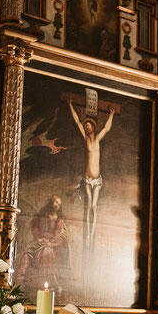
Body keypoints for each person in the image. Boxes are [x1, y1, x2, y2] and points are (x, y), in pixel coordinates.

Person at [68, 98, 115, 247]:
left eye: (89, 126)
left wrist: (112, 114)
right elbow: (77, 122)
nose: (87, 128)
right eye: (86, 126)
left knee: (94, 206)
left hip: (97, 180)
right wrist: (70, 104)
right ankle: (88, 234)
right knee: (89, 205)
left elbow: (107, 128)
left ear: (93, 127)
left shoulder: (97, 140)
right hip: (88, 178)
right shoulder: (86, 140)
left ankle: (93, 232)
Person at [17, 195, 70, 291]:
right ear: (51, 202)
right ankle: (20, 285)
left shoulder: (59, 221)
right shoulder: (43, 214)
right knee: (26, 254)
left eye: (59, 204)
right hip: (40, 242)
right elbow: (35, 226)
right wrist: (39, 239)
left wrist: (50, 243)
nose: (57, 205)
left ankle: (48, 281)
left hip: (52, 246)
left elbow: (62, 238)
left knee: (47, 251)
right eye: (56, 202)